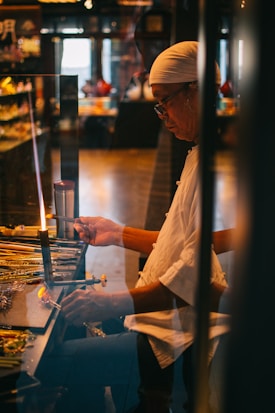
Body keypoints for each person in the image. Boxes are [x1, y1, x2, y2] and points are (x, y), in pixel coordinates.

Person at [39, 41, 233, 413]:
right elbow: (183, 243)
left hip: (179, 335)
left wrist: (110, 303)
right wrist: (115, 233)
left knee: (57, 361)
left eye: (165, 101)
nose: (161, 114)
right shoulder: (198, 152)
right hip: (171, 321)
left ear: (194, 91)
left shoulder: (215, 166)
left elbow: (193, 277)